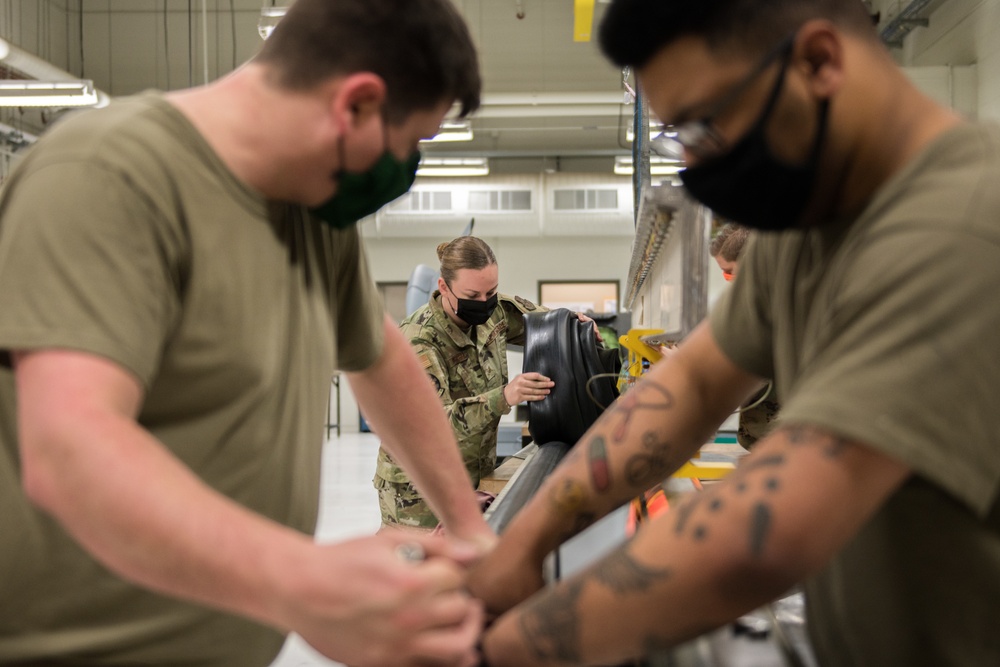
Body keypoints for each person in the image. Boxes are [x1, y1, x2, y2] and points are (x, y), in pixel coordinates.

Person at [468, 1, 1000, 665]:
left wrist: (493, 649)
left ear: (818, 62)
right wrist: (521, 543)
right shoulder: (810, 228)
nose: (694, 160)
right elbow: (692, 383)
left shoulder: (965, 227)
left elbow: (772, 529)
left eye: (704, 124)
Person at [0, 1, 496, 666]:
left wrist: (470, 533)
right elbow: (70, 447)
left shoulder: (313, 208)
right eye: (412, 143)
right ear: (355, 105)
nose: (405, 168)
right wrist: (305, 581)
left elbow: (380, 360)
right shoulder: (108, 177)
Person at [374, 236, 558, 530]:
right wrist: (505, 396)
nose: (484, 304)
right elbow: (434, 424)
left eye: (492, 292)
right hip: (419, 496)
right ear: (443, 287)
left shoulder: (491, 310)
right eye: (473, 295)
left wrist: (573, 323)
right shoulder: (420, 340)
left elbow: (542, 324)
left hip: (472, 475)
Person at [710, 222, 780, 449]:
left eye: (730, 273)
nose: (730, 282)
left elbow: (747, 377)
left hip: (782, 443)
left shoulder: (777, 310)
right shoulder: (759, 307)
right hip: (763, 441)